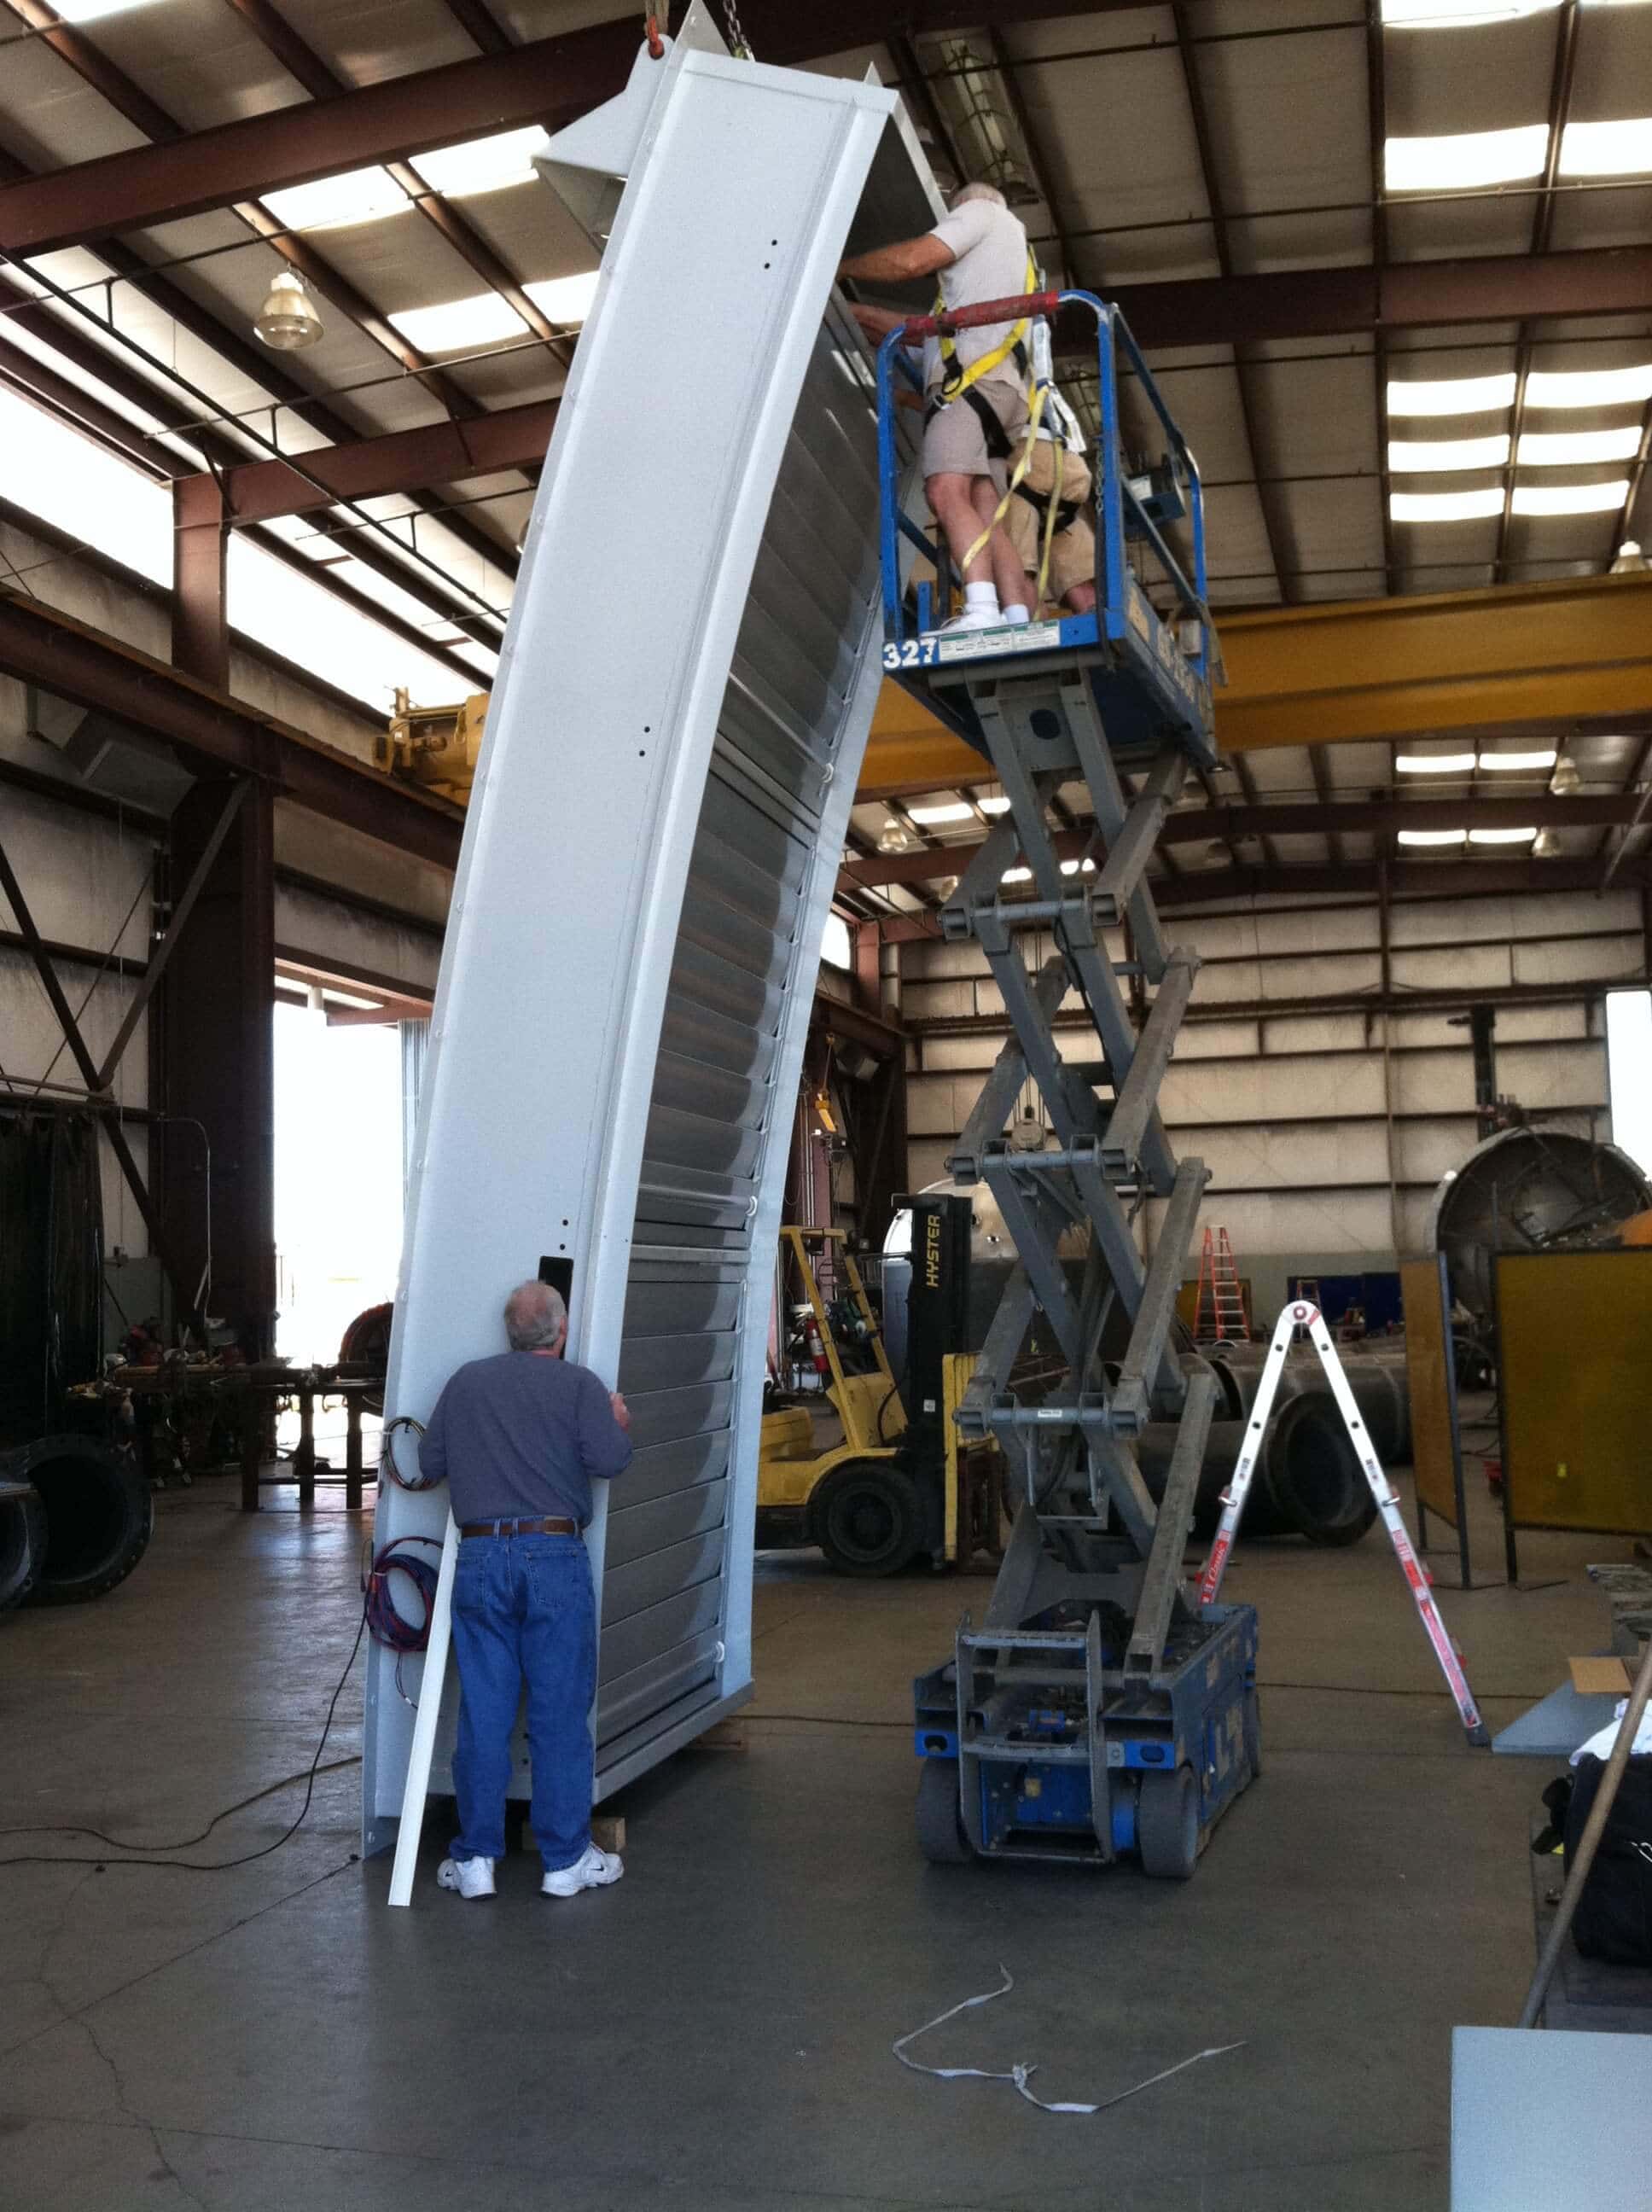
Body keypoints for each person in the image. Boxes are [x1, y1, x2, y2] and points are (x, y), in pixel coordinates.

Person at [419, 1278, 633, 1902]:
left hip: (481, 1556)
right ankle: (564, 1862)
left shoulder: (465, 1383)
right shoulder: (579, 1386)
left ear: (508, 1333)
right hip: (555, 1555)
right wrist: (616, 1422)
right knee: (559, 1712)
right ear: (560, 1332)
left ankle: (477, 1861)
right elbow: (611, 1460)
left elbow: (429, 1465)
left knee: (484, 1715)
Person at [841, 180, 1039, 635]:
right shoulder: (1007, 272)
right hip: (1002, 395)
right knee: (987, 514)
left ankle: (982, 612)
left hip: (970, 387)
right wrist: (856, 315)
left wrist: (836, 269)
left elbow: (912, 260)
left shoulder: (983, 213)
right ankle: (1014, 617)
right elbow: (923, 333)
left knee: (945, 491)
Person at [1001, 384, 1098, 617]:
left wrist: (904, 398)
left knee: (1018, 572)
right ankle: (1095, 619)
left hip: (1030, 463)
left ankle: (1029, 631)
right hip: (1066, 467)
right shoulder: (1030, 368)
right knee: (1073, 567)